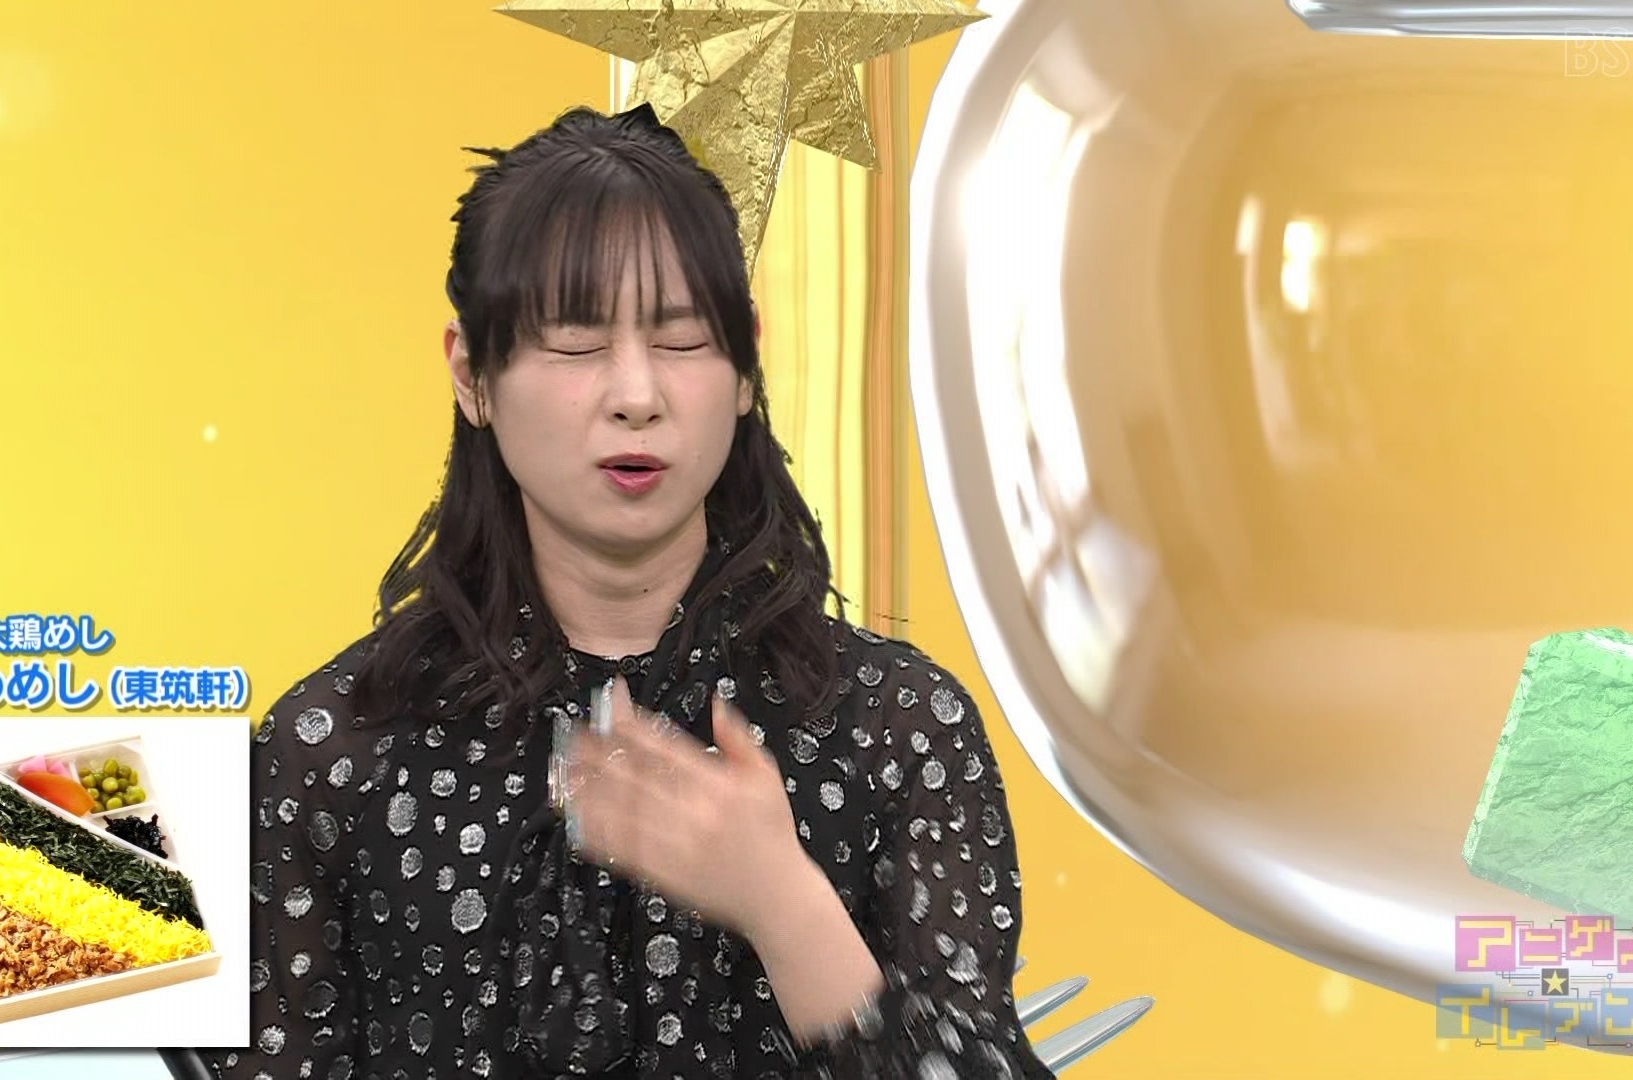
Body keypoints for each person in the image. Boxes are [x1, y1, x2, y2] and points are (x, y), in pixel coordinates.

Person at [197, 104, 1055, 1080]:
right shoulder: (332, 752)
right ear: (472, 374)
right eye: (575, 343)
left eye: (682, 340)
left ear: (746, 366)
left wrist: (784, 905)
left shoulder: (897, 726)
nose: (636, 396)